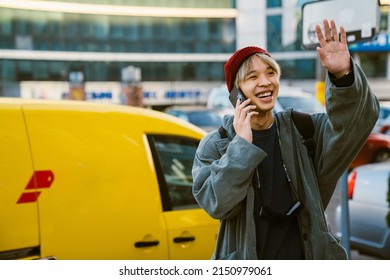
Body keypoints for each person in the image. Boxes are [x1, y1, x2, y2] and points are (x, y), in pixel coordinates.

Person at [192, 19, 379, 260]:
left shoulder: (303, 129)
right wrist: (241, 146)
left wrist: (342, 74)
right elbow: (216, 203)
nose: (265, 82)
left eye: (271, 73)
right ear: (236, 93)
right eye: (252, 77)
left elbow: (356, 121)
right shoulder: (216, 144)